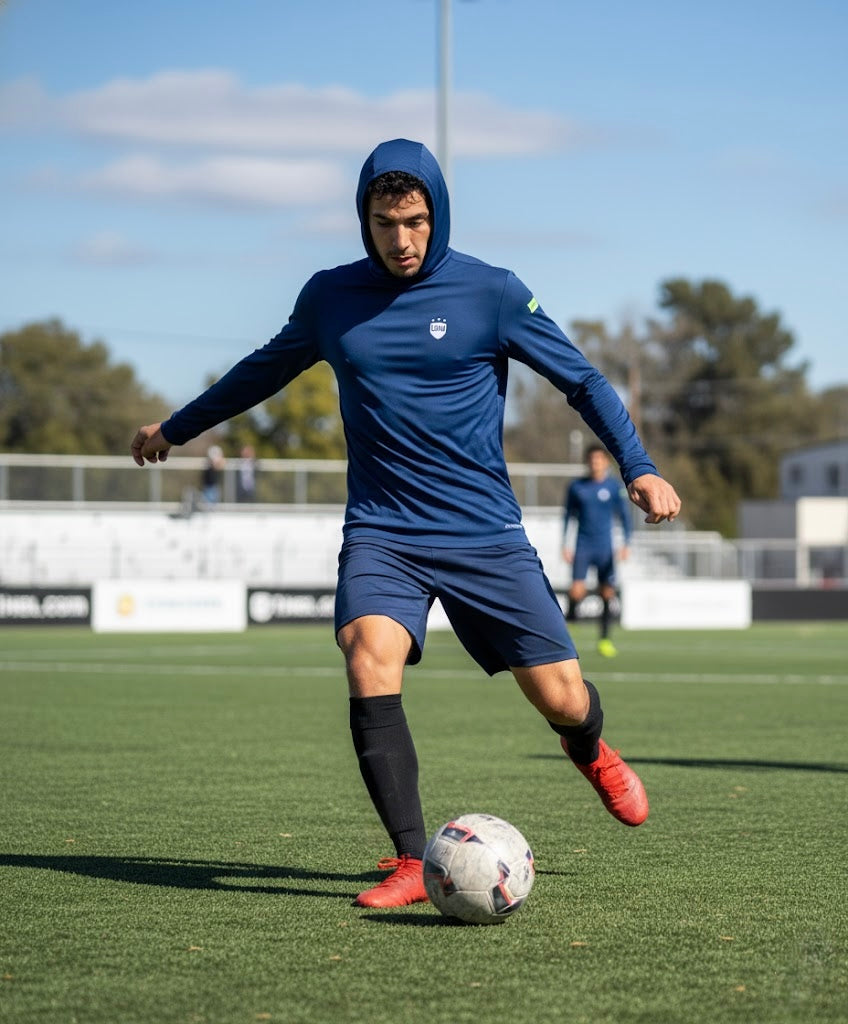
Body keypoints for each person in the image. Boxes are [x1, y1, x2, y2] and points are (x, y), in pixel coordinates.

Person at [131, 139, 681, 910]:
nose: (402, 240)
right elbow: (262, 369)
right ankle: (405, 860)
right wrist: (178, 429)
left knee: (560, 696)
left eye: (416, 221)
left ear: (437, 215)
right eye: (386, 223)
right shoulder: (330, 298)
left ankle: (586, 745)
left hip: (483, 532)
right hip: (384, 530)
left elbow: (581, 380)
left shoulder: (491, 292)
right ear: (365, 219)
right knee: (367, 654)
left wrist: (639, 465)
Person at [563, 444, 633, 658]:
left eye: (599, 459)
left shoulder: (613, 488)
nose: (595, 463)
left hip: (605, 547)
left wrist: (626, 543)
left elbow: (625, 516)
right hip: (583, 545)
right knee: (576, 591)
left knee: (607, 593)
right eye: (592, 460)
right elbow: (567, 516)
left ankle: (605, 639)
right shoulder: (577, 487)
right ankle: (571, 617)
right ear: (587, 462)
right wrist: (564, 544)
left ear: (605, 462)